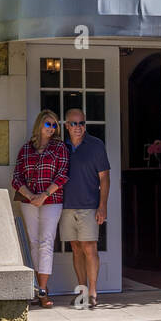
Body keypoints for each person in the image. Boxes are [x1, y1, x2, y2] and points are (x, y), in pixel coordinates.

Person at [11, 110, 69, 308]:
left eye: (54, 125)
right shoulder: (25, 149)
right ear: (39, 125)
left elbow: (62, 175)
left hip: (52, 201)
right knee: (34, 242)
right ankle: (38, 288)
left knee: (46, 242)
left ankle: (42, 291)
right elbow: (16, 177)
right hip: (29, 202)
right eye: (48, 124)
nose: (52, 128)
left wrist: (44, 195)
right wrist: (30, 196)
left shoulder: (60, 148)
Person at [59, 107, 111, 308]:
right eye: (73, 123)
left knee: (90, 247)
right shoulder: (61, 147)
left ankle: (93, 292)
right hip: (66, 206)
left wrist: (102, 206)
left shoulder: (96, 145)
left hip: (89, 206)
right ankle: (81, 291)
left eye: (81, 123)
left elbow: (105, 178)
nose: (78, 127)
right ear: (66, 126)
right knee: (76, 248)